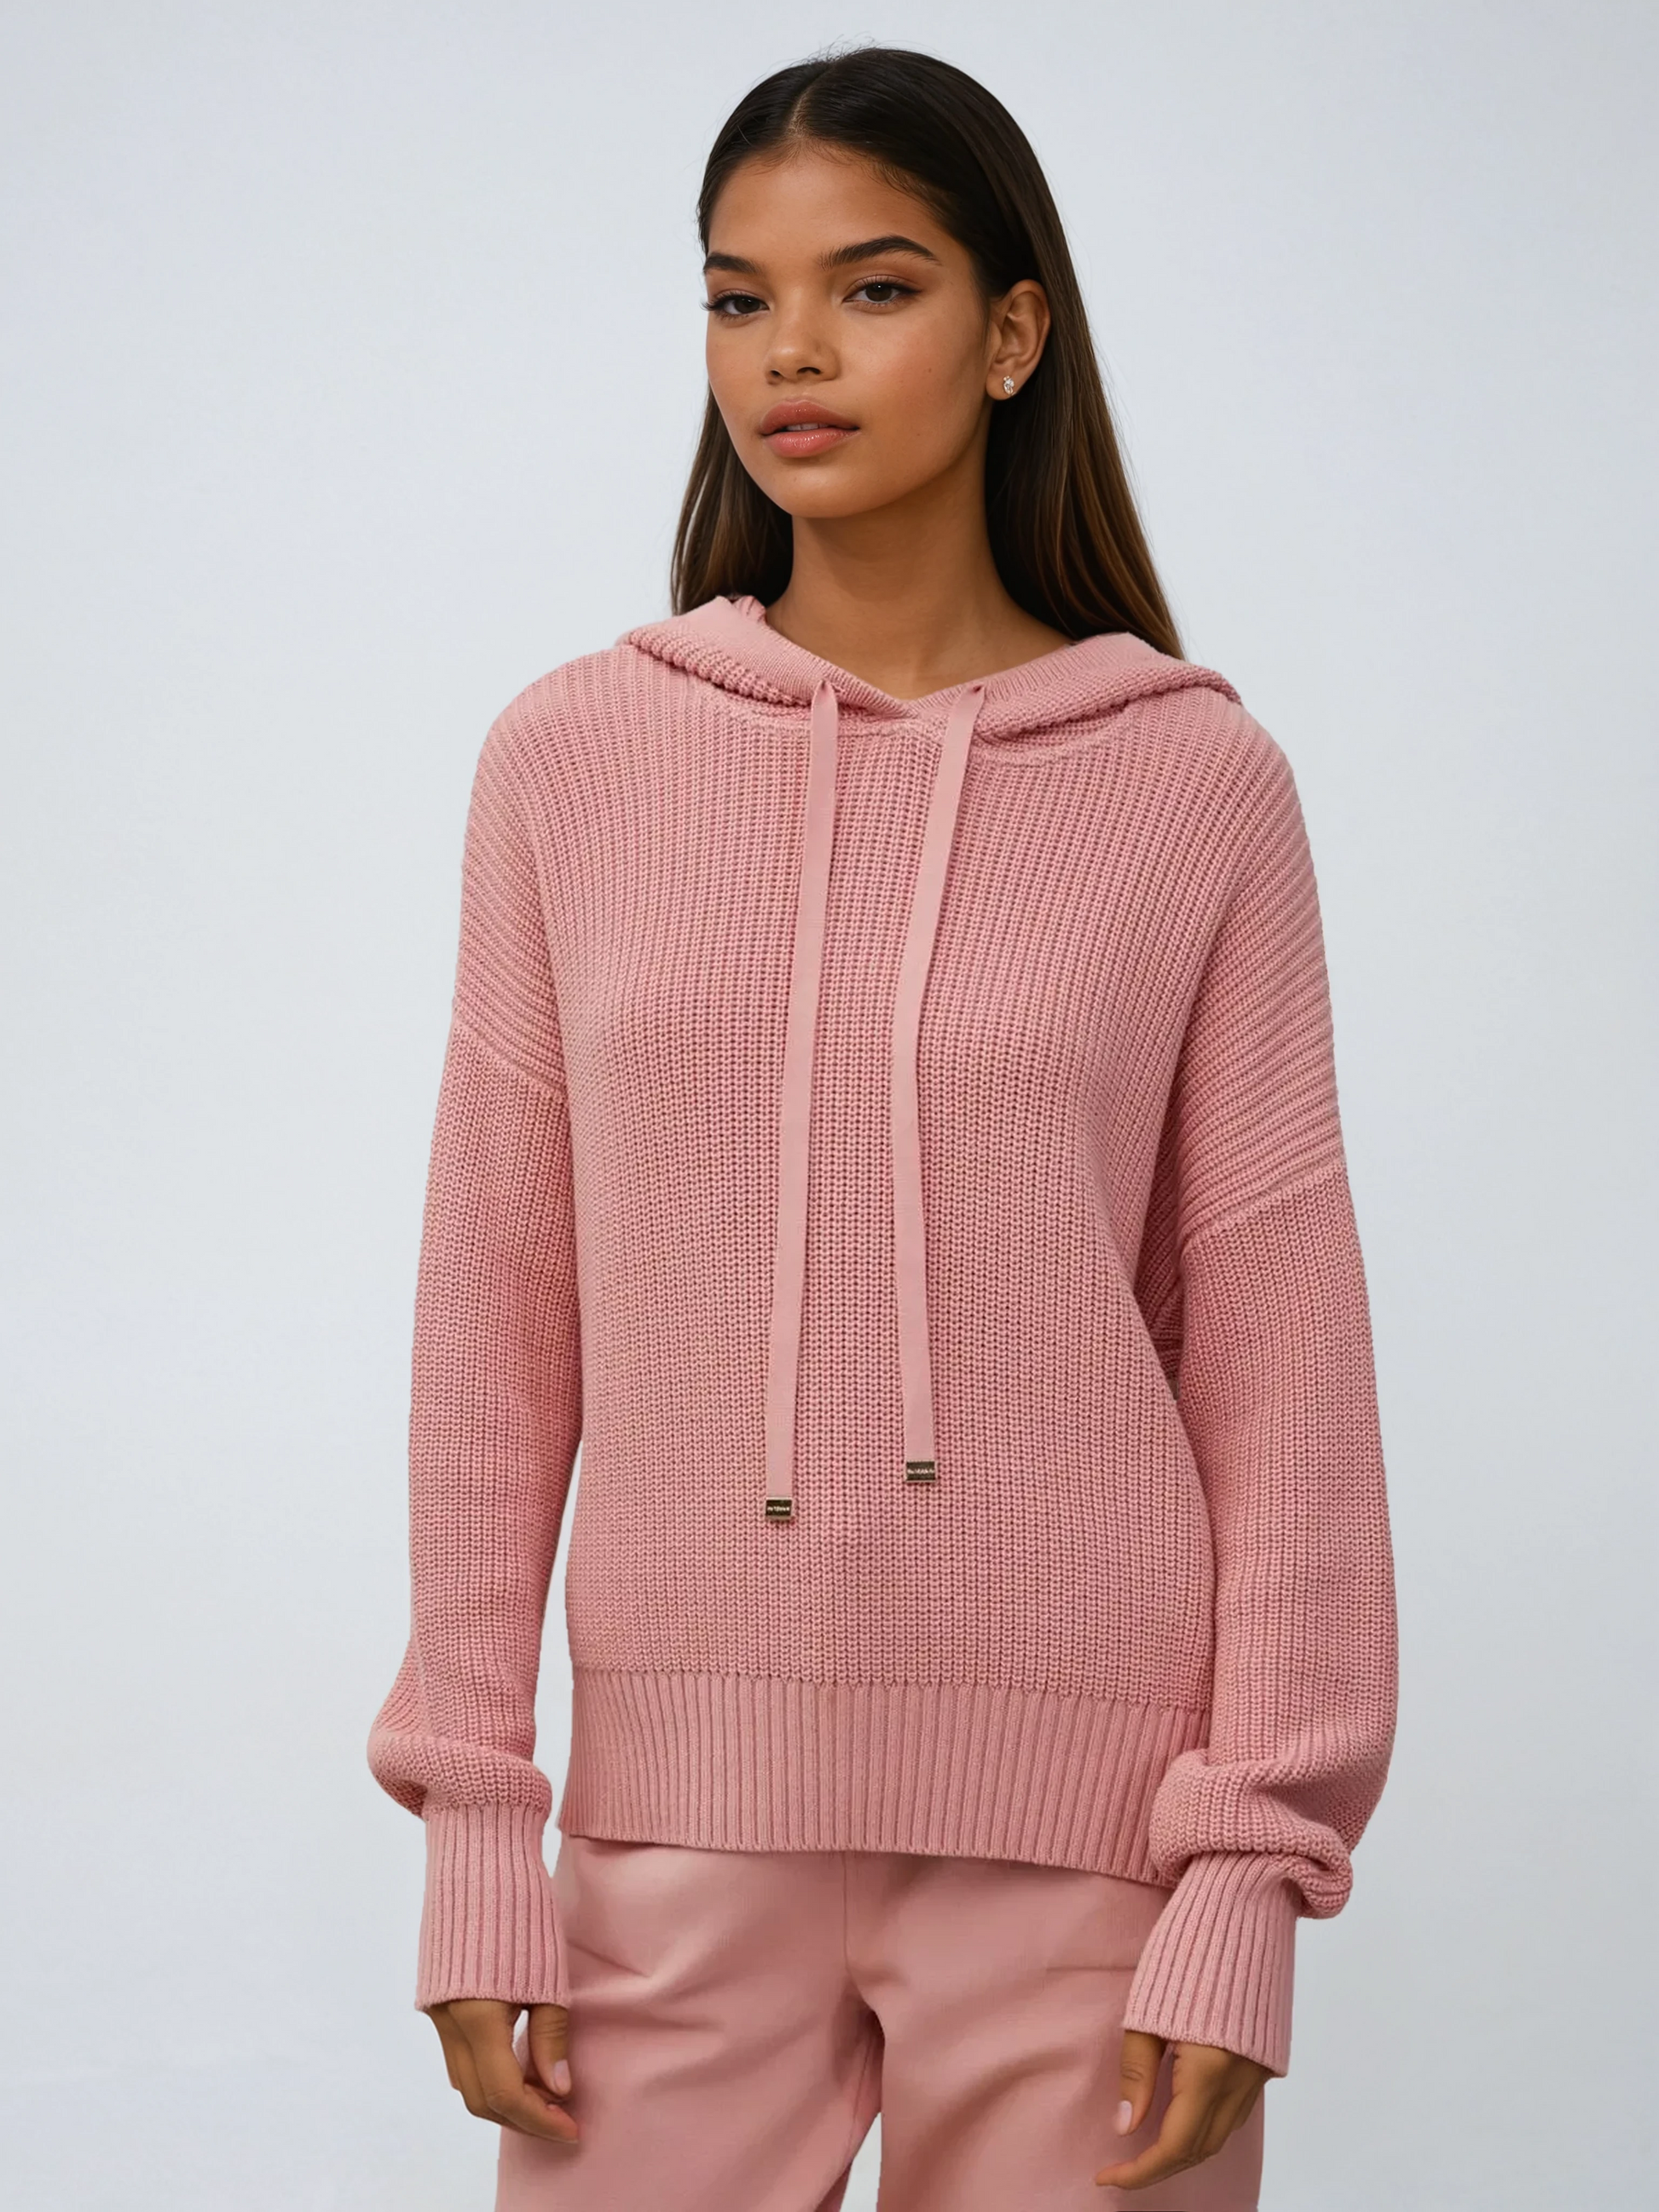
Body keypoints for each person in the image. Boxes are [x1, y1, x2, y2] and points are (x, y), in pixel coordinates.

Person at [367, 44, 1397, 2212]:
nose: (792, 354)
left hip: (1093, 1850)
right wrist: (476, 1822)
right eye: (738, 298)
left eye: (873, 287)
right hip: (671, 1831)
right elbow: (496, 1312)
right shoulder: (570, 758)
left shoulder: (1196, 785)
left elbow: (1278, 1349)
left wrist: (1247, 1869)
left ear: (1014, 333)